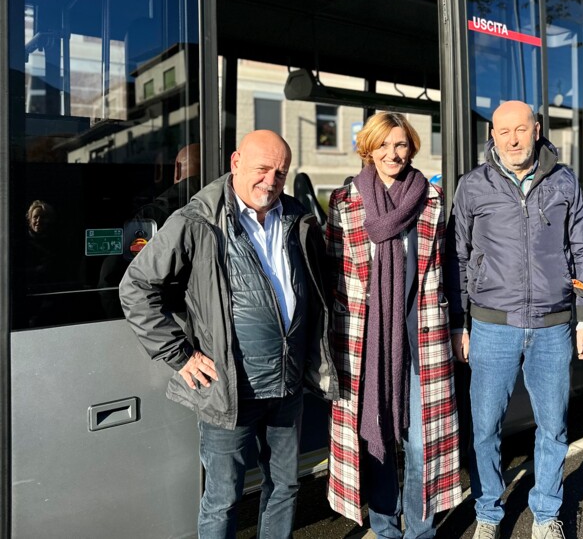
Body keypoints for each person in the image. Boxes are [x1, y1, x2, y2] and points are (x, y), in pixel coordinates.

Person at [119, 130, 337, 539]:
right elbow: (135, 288)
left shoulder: (296, 218)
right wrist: (179, 355)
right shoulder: (196, 221)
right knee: (224, 497)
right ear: (235, 163)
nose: (271, 181)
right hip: (229, 389)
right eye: (262, 169)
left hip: (287, 386)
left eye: (281, 172)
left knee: (286, 487)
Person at [448, 101, 583, 539]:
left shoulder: (564, 181)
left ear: (537, 129)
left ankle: (547, 512)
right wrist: (460, 322)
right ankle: (489, 514)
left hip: (553, 326)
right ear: (491, 136)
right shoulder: (473, 187)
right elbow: (456, 258)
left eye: (521, 129)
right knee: (484, 428)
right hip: (492, 325)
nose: (513, 139)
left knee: (553, 426)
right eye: (503, 132)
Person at [325, 113, 462, 537]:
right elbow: (334, 275)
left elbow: (445, 268)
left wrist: (457, 324)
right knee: (376, 436)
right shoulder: (344, 202)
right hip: (366, 342)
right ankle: (385, 528)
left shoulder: (433, 200)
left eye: (400, 145)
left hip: (422, 337)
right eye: (383, 145)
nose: (392, 154)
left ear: (412, 148)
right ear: (368, 147)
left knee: (423, 443)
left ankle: (421, 531)